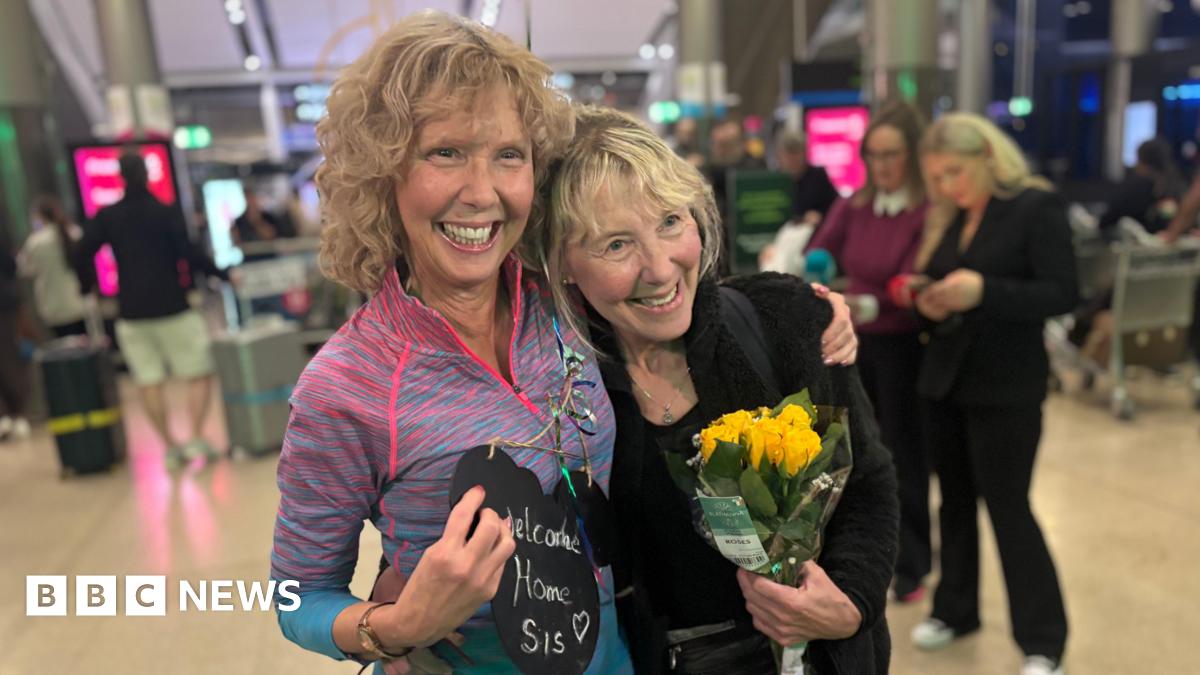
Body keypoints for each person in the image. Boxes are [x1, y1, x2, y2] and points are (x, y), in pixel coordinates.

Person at [266, 13, 630, 674]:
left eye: (507, 155)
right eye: (446, 152)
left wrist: (802, 313)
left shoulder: (561, 300)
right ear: (384, 172)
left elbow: (671, 287)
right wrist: (400, 624)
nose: (482, 192)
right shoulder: (348, 385)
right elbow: (296, 595)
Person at [531, 105, 896, 674]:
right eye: (617, 245)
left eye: (671, 222)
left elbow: (868, 481)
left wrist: (849, 604)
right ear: (564, 264)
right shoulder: (557, 387)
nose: (660, 268)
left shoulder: (787, 320)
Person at [910, 112, 1073, 675]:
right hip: (947, 379)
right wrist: (928, 295)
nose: (949, 186)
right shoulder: (954, 218)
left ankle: (1043, 639)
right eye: (938, 178)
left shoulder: (1033, 206)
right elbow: (941, 279)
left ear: (986, 155)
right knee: (953, 504)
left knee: (1009, 508)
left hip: (1007, 386)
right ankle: (955, 609)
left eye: (956, 171)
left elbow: (1062, 291)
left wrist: (985, 291)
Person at [805, 100, 932, 603]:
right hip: (852, 346)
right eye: (874, 154)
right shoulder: (855, 205)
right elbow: (822, 249)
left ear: (913, 155)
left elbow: (915, 284)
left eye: (893, 154)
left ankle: (914, 564)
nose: (882, 165)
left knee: (904, 456)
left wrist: (872, 301)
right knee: (852, 453)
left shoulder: (926, 212)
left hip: (904, 347)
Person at [76, 151, 227, 467]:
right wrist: (222, 275)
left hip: (131, 310)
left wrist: (87, 285)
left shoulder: (108, 216)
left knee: (148, 380)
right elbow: (190, 253)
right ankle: (197, 438)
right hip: (173, 305)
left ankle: (171, 447)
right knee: (197, 372)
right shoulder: (165, 212)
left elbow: (81, 251)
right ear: (146, 175)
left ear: (120, 177)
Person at [18, 195, 88, 338]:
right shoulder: (74, 232)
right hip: (80, 302)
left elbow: (24, 268)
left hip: (54, 307)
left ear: (40, 216)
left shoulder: (35, 242)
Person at [1098, 138, 1184, 239]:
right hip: (1176, 246)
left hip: (1140, 250)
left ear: (1141, 160)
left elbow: (1105, 221)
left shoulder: (1135, 189)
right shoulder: (1179, 186)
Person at [0, 232, 31, 442]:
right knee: (9, 359)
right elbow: (10, 265)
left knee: (9, 359)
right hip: (5, 305)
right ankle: (15, 414)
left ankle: (8, 415)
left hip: (5, 305)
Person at [777, 129, 839, 226]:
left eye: (796, 154)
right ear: (780, 156)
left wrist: (819, 214)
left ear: (805, 153)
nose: (792, 160)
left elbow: (836, 206)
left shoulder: (818, 176)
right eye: (789, 155)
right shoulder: (776, 180)